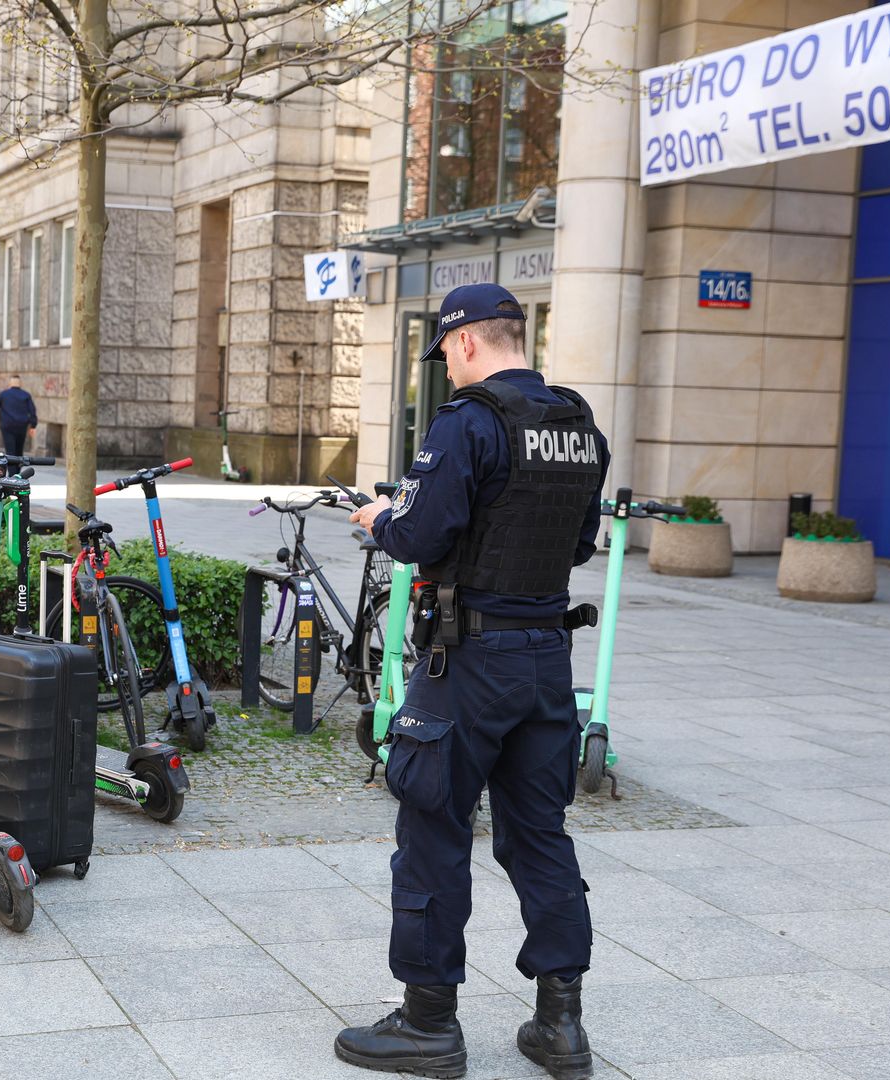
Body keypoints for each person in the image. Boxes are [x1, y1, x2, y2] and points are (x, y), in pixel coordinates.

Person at [336, 283, 609, 1080]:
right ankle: (561, 1022)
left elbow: (420, 534)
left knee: (433, 826)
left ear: (464, 345)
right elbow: (580, 541)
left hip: (468, 662)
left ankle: (428, 1023)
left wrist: (378, 519)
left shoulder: (467, 423)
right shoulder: (578, 426)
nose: (448, 370)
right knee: (538, 834)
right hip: (546, 663)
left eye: (447, 356)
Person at [0, 373, 37, 456]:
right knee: (19, 451)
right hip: (22, 426)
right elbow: (32, 411)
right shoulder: (26, 395)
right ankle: (17, 468)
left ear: (10, 383)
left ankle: (12, 469)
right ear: (20, 384)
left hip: (7, 426)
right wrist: (33, 425)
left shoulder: (4, 394)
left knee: (10, 451)